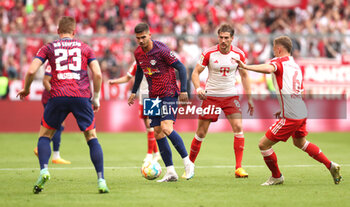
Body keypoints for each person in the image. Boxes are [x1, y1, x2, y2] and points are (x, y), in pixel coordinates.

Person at [17, 16, 109, 193]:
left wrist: (27, 89)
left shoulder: (48, 47)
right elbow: (97, 75)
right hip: (81, 96)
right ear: (74, 32)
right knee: (91, 137)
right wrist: (96, 98)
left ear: (58, 31)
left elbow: (31, 70)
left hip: (58, 95)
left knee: (45, 136)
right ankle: (101, 181)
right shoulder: (85, 48)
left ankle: (44, 170)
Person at [234, 35, 342, 185]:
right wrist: (283, 106)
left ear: (278, 49)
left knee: (263, 144)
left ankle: (277, 176)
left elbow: (268, 68)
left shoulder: (279, 62)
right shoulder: (295, 66)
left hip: (291, 115)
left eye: (273, 49)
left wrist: (246, 66)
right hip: (301, 110)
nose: (273, 52)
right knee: (300, 142)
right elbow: (299, 91)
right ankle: (330, 165)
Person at [128, 22, 195, 182]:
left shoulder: (161, 50)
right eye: (138, 38)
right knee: (157, 131)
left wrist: (184, 90)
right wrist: (133, 91)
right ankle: (171, 172)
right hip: (152, 96)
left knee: (166, 127)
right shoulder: (138, 52)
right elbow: (139, 71)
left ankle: (188, 162)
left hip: (169, 93)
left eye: (144, 37)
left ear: (149, 35)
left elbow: (182, 68)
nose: (141, 41)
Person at [189, 24, 254, 178]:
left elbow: (244, 76)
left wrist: (249, 97)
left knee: (238, 127)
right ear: (218, 37)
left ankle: (239, 168)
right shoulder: (209, 53)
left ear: (232, 38)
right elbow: (195, 73)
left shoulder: (239, 54)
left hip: (230, 96)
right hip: (211, 96)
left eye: (226, 38)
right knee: (201, 132)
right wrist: (198, 88)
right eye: (221, 37)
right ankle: (189, 165)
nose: (223, 40)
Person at [108, 61, 161, 162]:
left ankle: (149, 154)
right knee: (148, 127)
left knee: (150, 126)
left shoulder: (155, 60)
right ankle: (157, 153)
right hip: (143, 96)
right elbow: (128, 77)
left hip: (152, 95)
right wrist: (115, 82)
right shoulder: (138, 62)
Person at [33, 65, 71, 164]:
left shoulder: (59, 60)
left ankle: (51, 153)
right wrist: (55, 93)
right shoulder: (53, 62)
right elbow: (46, 81)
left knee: (58, 124)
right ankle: (53, 155)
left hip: (54, 96)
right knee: (57, 125)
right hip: (52, 97)